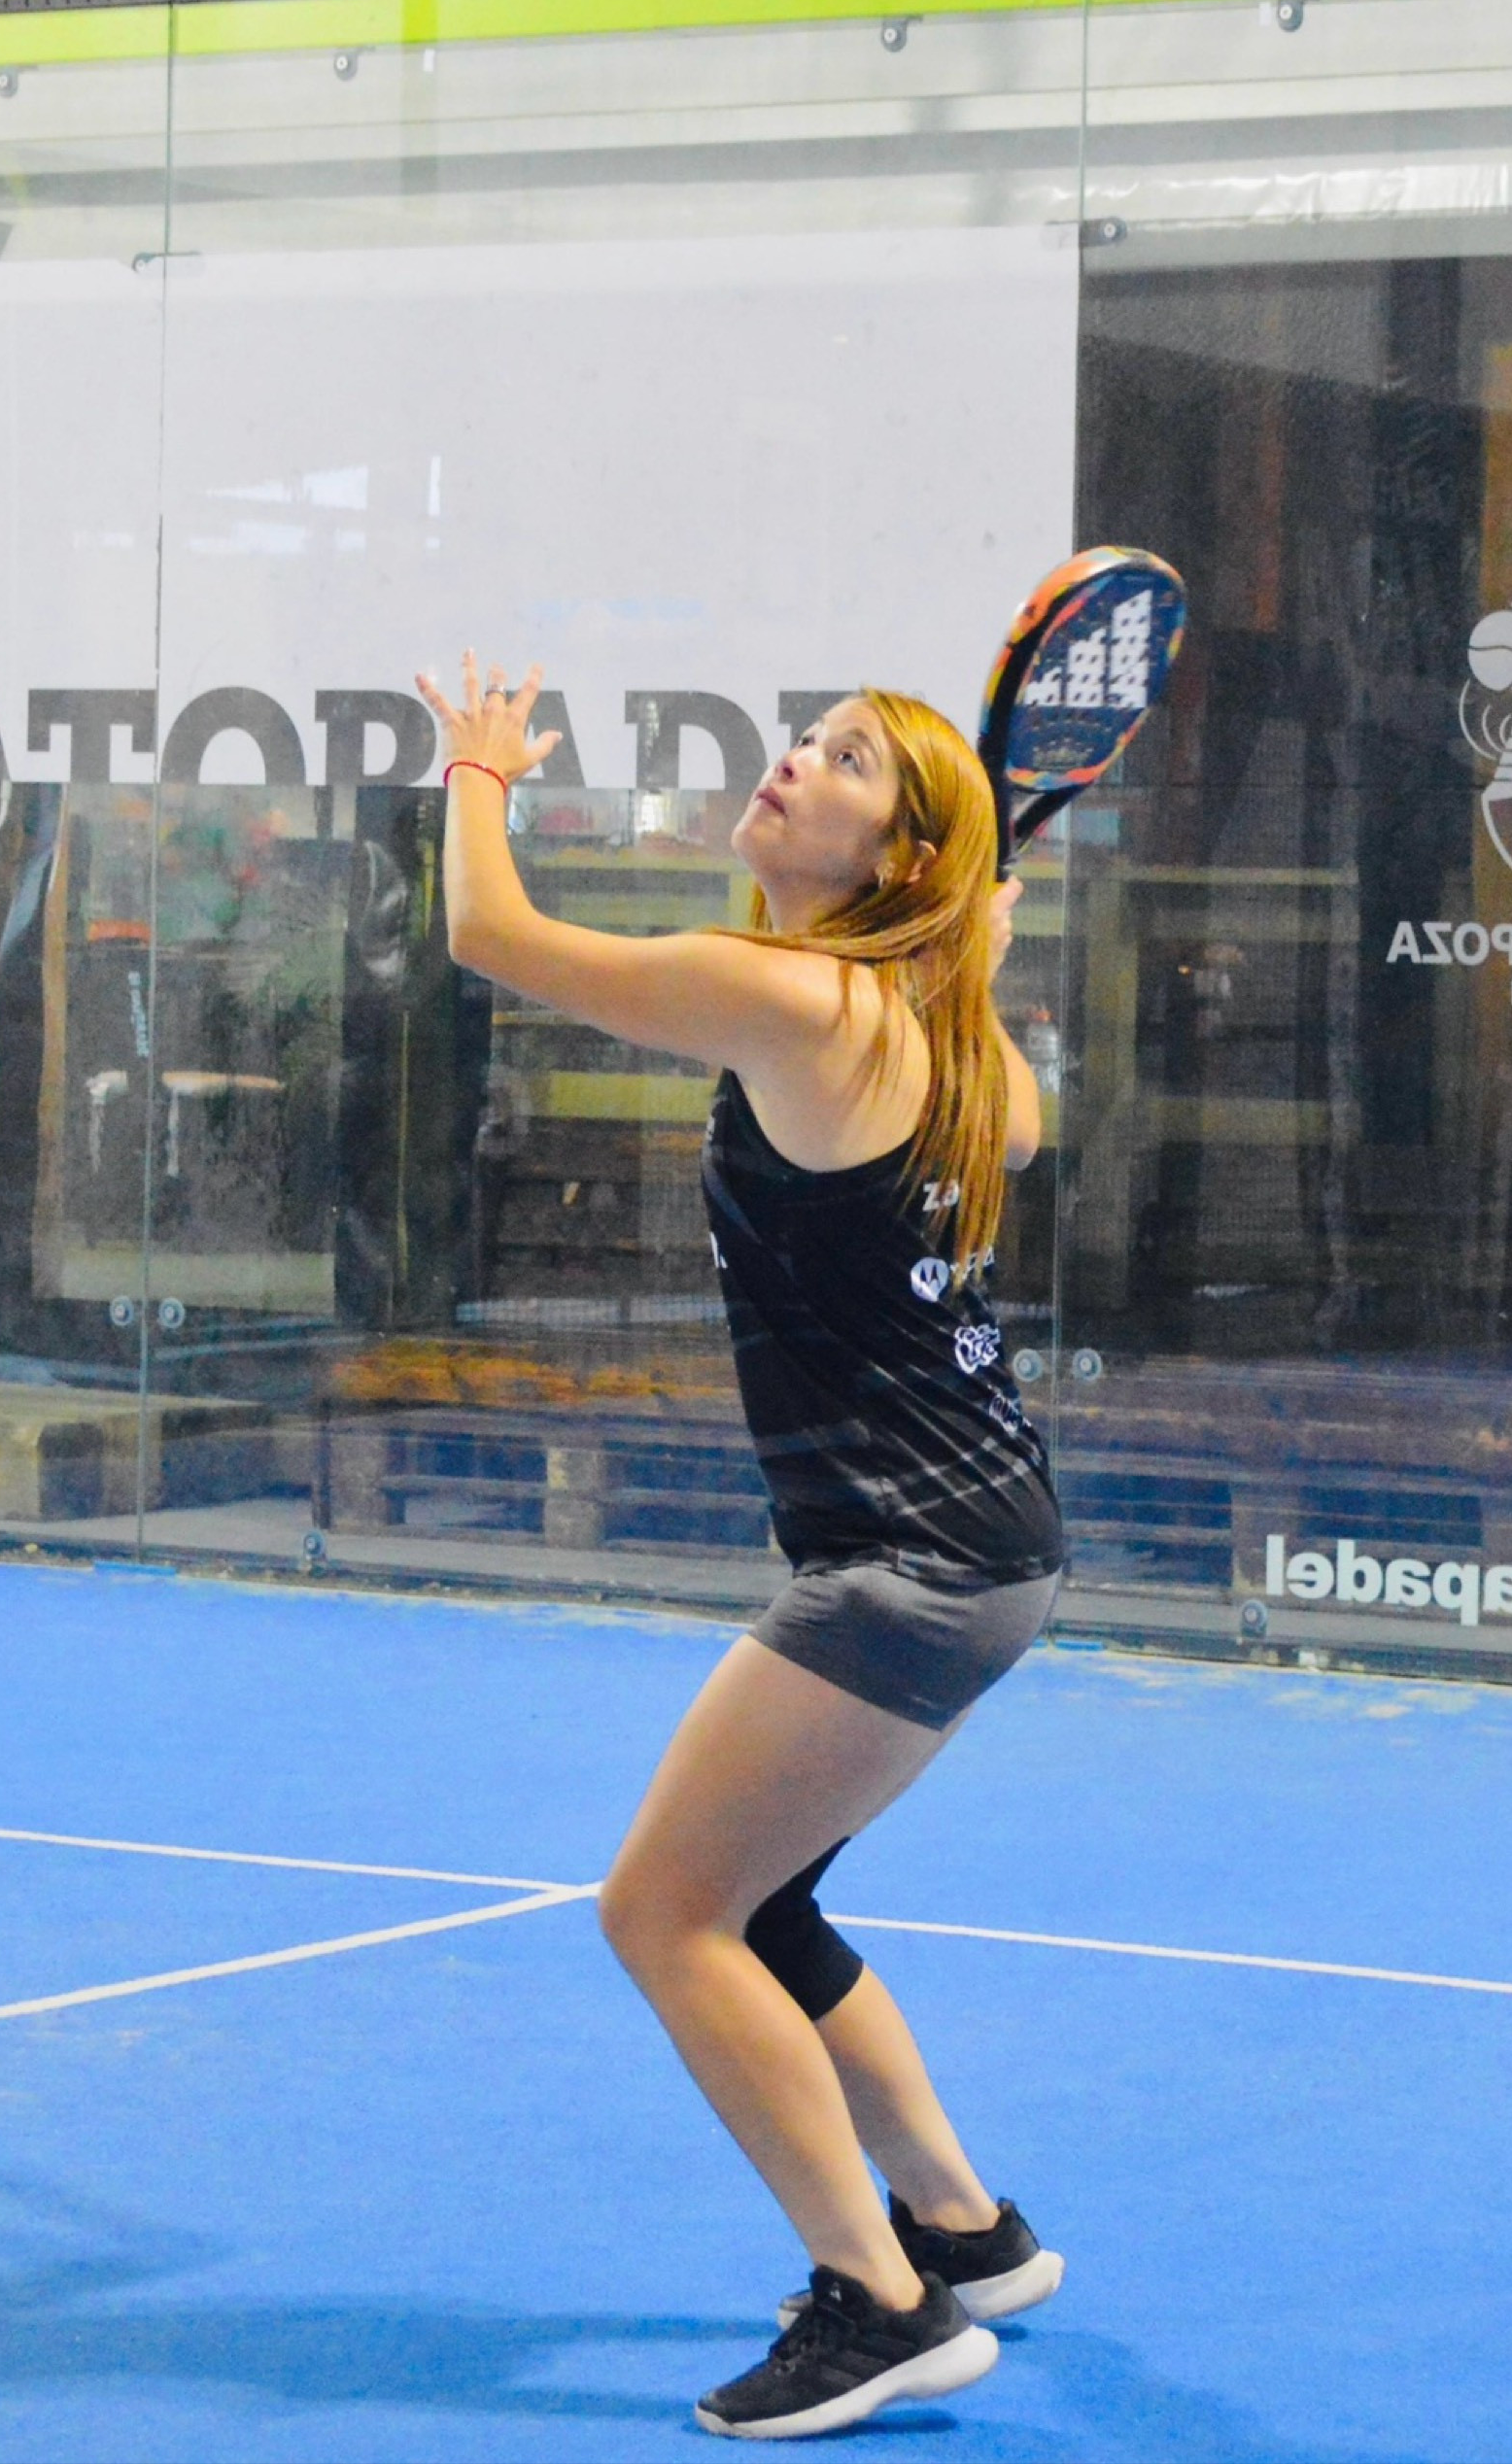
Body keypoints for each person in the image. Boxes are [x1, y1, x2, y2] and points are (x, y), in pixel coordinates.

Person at [416, 652, 1067, 2442]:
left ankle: (884, 2303)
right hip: (984, 1542)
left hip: (905, 1561)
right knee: (764, 1902)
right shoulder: (943, 1036)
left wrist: (479, 768)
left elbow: (488, 933)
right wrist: (965, 950)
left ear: (899, 854)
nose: (794, 761)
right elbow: (1024, 1117)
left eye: (846, 759)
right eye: (809, 738)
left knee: (663, 1910)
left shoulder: (786, 994)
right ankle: (964, 2227)